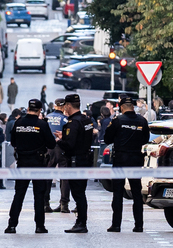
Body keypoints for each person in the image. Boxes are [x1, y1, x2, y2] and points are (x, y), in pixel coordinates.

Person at [5, 99, 57, 234]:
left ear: (28, 109)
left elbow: (13, 142)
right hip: (38, 164)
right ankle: (39, 226)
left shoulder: (18, 123)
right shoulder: (42, 124)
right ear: (40, 110)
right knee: (39, 196)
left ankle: (11, 225)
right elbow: (51, 144)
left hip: (22, 163)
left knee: (19, 195)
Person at [104, 95, 150, 232]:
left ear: (122, 107)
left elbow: (107, 138)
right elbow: (145, 139)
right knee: (137, 193)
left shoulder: (118, 121)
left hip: (120, 159)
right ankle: (139, 225)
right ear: (133, 107)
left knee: (117, 193)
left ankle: (116, 225)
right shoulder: (142, 121)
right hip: (136, 159)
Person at [56, 94, 94, 233]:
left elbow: (70, 145)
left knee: (78, 193)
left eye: (65, 105)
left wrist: (60, 141)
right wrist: (64, 136)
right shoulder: (86, 120)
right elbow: (83, 138)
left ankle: (81, 223)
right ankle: (81, 221)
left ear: (68, 106)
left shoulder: (73, 123)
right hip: (85, 159)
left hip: (75, 161)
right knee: (81, 192)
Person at [45, 98, 70, 213]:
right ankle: (64, 204)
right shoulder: (65, 119)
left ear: (55, 106)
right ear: (64, 106)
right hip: (61, 148)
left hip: (48, 148)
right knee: (64, 177)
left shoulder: (47, 117)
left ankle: (45, 203)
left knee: (47, 176)